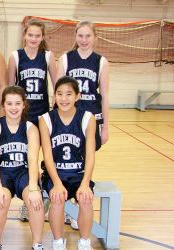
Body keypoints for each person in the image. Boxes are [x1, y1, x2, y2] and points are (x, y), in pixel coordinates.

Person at [56, 20, 109, 229]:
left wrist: (106, 126)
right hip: (69, 117)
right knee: (64, 154)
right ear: (75, 37)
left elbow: (105, 95)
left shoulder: (101, 61)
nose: (84, 40)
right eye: (80, 36)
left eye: (88, 36)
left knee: (85, 157)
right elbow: (59, 91)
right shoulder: (66, 59)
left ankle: (79, 198)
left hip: (92, 117)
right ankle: (68, 204)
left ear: (95, 37)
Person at [39, 76, 96, 250]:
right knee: (57, 198)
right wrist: (56, 183)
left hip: (79, 174)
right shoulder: (46, 119)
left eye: (69, 94)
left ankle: (84, 244)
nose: (64, 99)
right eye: (59, 94)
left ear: (77, 96)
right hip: (55, 174)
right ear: (54, 96)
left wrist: (86, 183)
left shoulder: (88, 118)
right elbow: (47, 155)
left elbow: (90, 155)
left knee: (86, 199)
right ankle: (57, 244)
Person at [0, 86, 45, 250]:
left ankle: (37, 245)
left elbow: (33, 159)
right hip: (2, 173)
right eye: (9, 103)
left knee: (35, 202)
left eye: (17, 103)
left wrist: (34, 188)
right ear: (3, 105)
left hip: (23, 173)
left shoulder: (30, 128)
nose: (13, 108)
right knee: (0, 200)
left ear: (24, 105)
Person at [7, 18, 58, 223]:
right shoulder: (15, 57)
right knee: (25, 159)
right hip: (22, 117)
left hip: (42, 116)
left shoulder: (47, 56)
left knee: (44, 159)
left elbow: (58, 85)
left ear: (42, 37)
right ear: (24, 36)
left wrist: (54, 110)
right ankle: (28, 203)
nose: (34, 38)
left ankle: (43, 199)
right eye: (30, 35)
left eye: (38, 35)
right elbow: (10, 88)